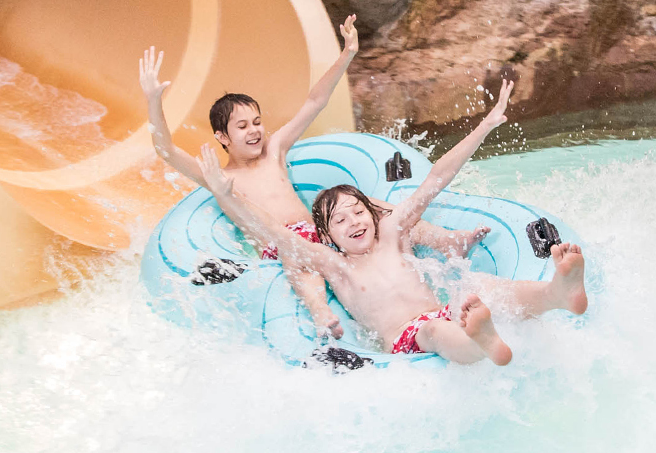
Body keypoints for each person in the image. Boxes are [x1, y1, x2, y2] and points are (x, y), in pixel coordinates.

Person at [139, 15, 487, 338]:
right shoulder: (218, 177)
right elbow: (166, 150)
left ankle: (445, 240)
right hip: (281, 244)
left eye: (257, 122)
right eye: (242, 127)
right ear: (222, 137)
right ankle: (320, 311)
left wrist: (347, 54)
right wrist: (154, 99)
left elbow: (315, 101)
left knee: (366, 205)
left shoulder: (275, 151)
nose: (254, 131)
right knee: (295, 251)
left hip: (321, 234)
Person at [198, 79, 588, 366]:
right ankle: (480, 343)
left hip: (445, 312)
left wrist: (485, 126)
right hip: (410, 337)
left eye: (358, 212)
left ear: (373, 216)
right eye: (339, 220)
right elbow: (274, 232)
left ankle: (556, 294)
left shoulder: (392, 236)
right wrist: (226, 193)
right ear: (327, 236)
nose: (353, 222)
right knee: (436, 331)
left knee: (482, 286)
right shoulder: (334, 265)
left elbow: (436, 178)